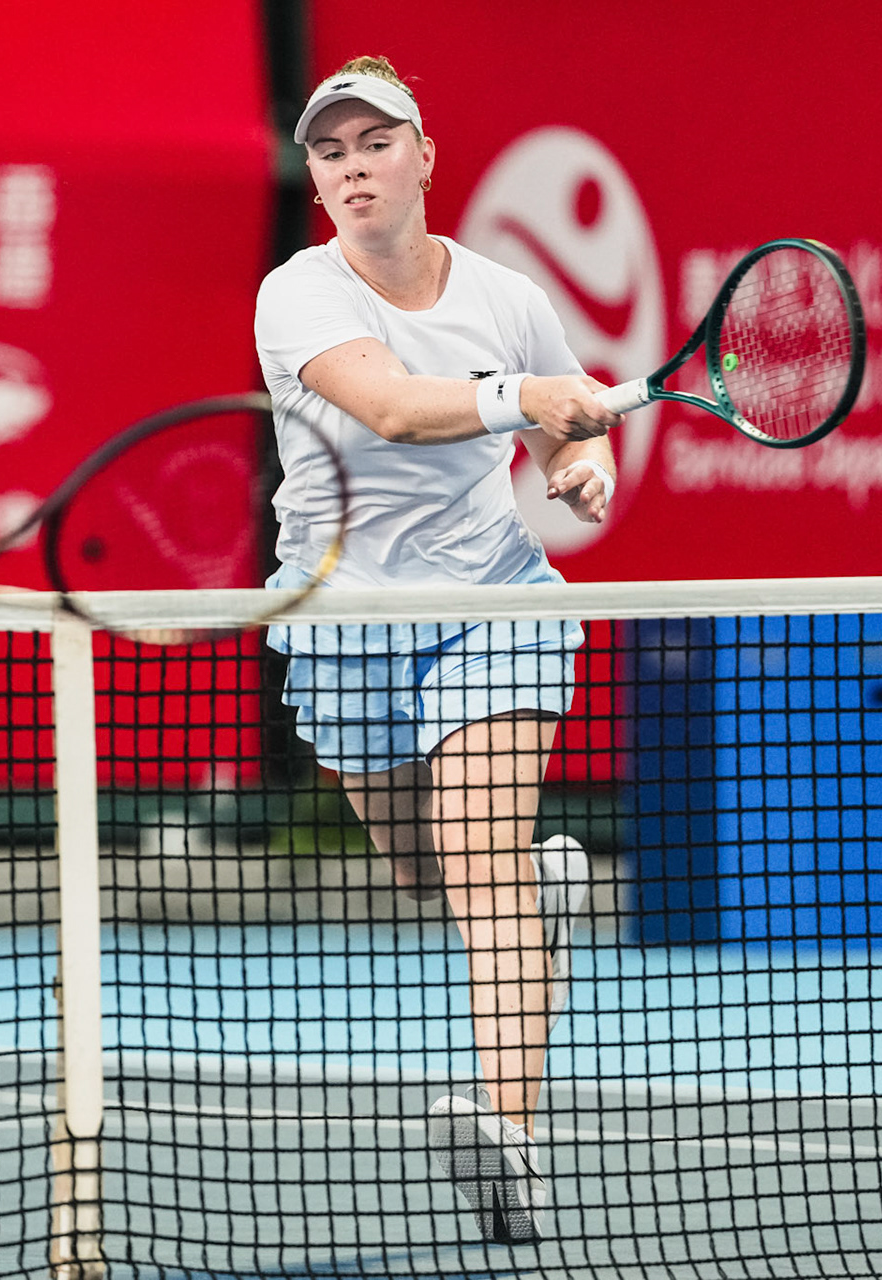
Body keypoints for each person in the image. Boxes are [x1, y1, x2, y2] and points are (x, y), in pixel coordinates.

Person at [256, 55, 622, 1245]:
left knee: (476, 858)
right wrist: (538, 401)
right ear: (317, 181)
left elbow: (563, 450)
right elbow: (399, 408)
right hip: (345, 616)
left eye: (375, 143)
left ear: (425, 155)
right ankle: (543, 897)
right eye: (331, 152)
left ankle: (508, 1130)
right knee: (423, 870)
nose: (354, 167)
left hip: (493, 601)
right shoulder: (296, 295)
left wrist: (584, 464)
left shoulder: (509, 295)